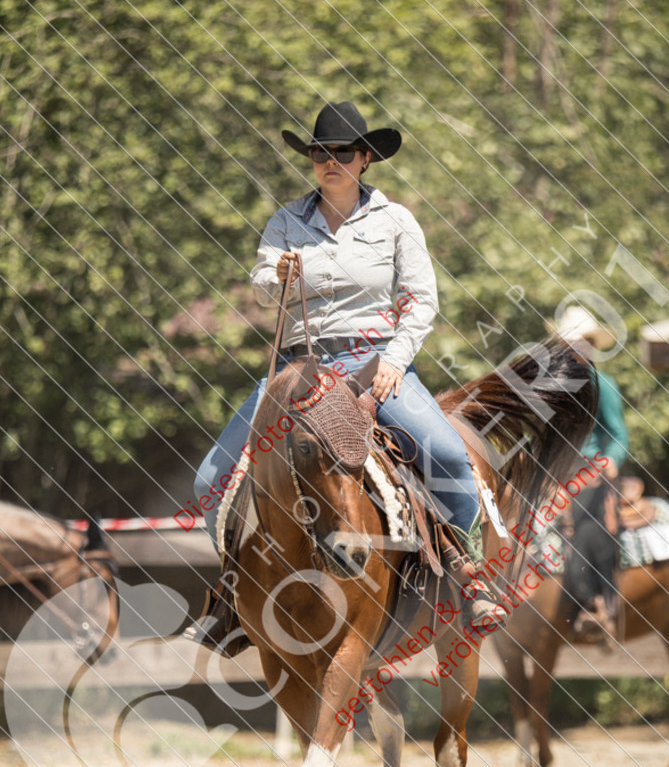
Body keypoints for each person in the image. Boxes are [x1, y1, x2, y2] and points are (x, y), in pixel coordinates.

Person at [188, 101, 507, 646]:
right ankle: (233, 596)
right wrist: (278, 275)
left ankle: (466, 573)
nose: (328, 161)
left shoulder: (396, 221)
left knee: (450, 456)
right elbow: (263, 285)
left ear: (364, 159)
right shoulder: (287, 220)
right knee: (208, 482)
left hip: (375, 360)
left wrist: (395, 360)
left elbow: (421, 301)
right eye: (319, 152)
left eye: (340, 153)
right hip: (300, 366)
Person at [550, 305, 629, 639]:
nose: (574, 350)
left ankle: (596, 604)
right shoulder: (552, 387)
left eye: (580, 343)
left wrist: (610, 459)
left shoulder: (603, 386)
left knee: (587, 530)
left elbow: (619, 435)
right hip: (556, 476)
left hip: (591, 477)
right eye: (569, 344)